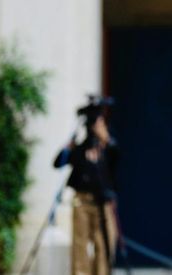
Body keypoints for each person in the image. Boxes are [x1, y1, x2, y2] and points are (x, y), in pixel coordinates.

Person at [53, 111, 118, 275]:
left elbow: (117, 156)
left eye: (102, 124)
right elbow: (58, 163)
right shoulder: (80, 149)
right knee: (80, 245)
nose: (98, 128)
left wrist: (106, 139)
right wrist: (69, 144)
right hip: (82, 201)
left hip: (103, 202)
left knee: (104, 243)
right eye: (97, 124)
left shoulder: (107, 150)